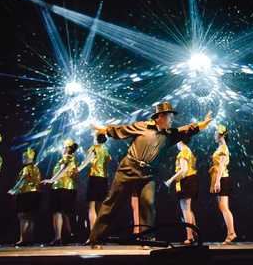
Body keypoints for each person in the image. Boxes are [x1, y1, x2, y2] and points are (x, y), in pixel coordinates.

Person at [88, 102, 213, 248]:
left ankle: (147, 239)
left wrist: (204, 123)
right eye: (169, 116)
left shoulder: (170, 135)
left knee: (148, 203)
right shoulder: (142, 126)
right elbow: (120, 130)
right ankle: (96, 239)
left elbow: (188, 129)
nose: (172, 120)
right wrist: (100, 129)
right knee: (112, 203)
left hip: (148, 174)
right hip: (128, 168)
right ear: (160, 116)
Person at [42, 139, 79, 246]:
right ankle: (66, 236)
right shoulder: (70, 158)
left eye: (63, 147)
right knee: (64, 213)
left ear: (67, 148)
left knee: (57, 212)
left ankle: (58, 237)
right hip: (64, 188)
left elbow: (63, 170)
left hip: (62, 188)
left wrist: (51, 180)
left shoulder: (67, 157)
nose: (62, 149)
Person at [164, 135, 199, 244]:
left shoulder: (183, 151)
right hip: (190, 180)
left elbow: (183, 170)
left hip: (187, 181)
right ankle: (194, 233)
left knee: (185, 209)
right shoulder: (188, 151)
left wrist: (170, 180)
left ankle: (190, 236)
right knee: (188, 209)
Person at [78, 132, 111, 242]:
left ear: (96, 139)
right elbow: (107, 163)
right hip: (104, 179)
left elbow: (86, 162)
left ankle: (93, 235)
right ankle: (101, 234)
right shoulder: (106, 150)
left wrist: (77, 170)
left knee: (91, 207)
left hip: (95, 178)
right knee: (101, 208)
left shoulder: (94, 148)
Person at [210, 124, 238, 244]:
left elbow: (221, 165)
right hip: (219, 178)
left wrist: (217, 182)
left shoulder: (223, 148)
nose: (214, 135)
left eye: (215, 132)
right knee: (222, 207)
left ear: (221, 135)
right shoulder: (221, 147)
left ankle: (231, 233)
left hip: (222, 179)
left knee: (224, 207)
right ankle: (230, 232)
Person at [8, 147, 41, 246]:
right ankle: (29, 238)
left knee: (23, 217)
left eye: (24, 157)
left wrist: (14, 190)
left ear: (30, 158)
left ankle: (23, 239)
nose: (23, 159)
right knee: (30, 217)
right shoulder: (36, 168)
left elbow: (23, 180)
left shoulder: (26, 168)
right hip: (35, 194)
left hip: (26, 194)